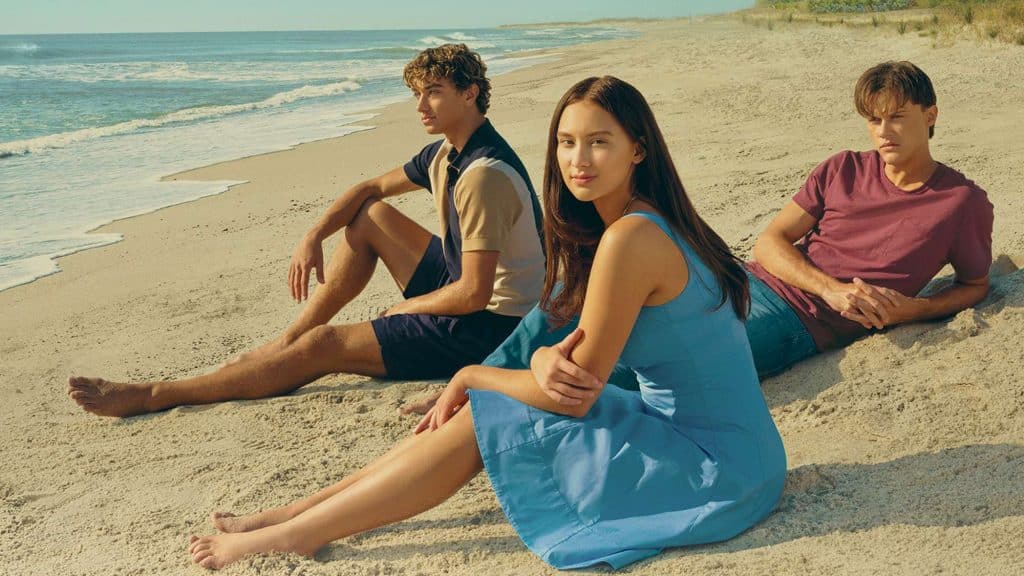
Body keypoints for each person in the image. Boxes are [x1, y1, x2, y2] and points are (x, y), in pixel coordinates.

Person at [185, 76, 786, 570]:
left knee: (486, 411)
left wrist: (473, 373)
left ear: (638, 149)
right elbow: (574, 361)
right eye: (567, 142)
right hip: (736, 450)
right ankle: (296, 515)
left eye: (599, 142)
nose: (578, 160)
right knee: (495, 402)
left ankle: (298, 531)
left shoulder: (630, 238)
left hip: (715, 471)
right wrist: (543, 362)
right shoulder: (647, 221)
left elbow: (573, 396)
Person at [439, 60, 994, 405]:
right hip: (739, 281)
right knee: (567, 300)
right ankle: (484, 378)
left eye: (896, 117)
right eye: (873, 118)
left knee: (630, 372)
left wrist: (906, 310)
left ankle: (489, 402)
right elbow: (770, 244)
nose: (882, 131)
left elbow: (973, 285)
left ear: (931, 114)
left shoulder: (961, 203)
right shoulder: (842, 167)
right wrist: (831, 286)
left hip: (799, 322)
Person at [67, 43, 545, 417]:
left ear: (471, 93)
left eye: (434, 91)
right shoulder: (448, 152)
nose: (420, 104)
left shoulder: (484, 174)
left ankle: (156, 394)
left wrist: (406, 307)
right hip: (467, 287)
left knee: (325, 347)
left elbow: (475, 294)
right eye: (417, 93)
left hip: (493, 327)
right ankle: (284, 342)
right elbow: (369, 188)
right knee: (370, 215)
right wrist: (313, 236)